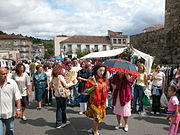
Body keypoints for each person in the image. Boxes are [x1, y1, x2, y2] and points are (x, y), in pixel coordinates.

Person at [85, 63, 108, 135]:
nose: (102, 72)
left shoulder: (104, 80)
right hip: (93, 102)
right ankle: (95, 132)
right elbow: (86, 91)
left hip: (102, 101)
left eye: (103, 71)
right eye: (100, 70)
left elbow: (106, 89)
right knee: (97, 116)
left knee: (97, 117)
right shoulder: (91, 79)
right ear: (96, 70)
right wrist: (93, 87)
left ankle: (93, 129)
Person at [0, 67, 22, 135]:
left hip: (9, 114)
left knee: (10, 132)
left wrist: (18, 109)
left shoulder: (12, 83)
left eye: (6, 73)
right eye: (3, 74)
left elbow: (17, 97)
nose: (5, 75)